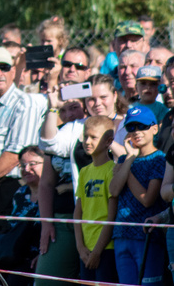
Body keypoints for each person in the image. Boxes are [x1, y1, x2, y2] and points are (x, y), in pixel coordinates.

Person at [0, 47, 43, 233]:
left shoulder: (24, 103)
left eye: (4, 67)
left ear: (13, 71)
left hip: (9, 190)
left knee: (6, 254)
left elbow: (15, 155)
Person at [110, 105, 166, 284]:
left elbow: (147, 200)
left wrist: (128, 165)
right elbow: (113, 190)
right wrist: (129, 159)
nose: (136, 131)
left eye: (142, 126)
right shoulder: (124, 159)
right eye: (131, 127)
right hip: (121, 235)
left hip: (147, 237)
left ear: (155, 128)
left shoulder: (159, 159)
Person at [0, 146, 43, 286]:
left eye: (32, 164)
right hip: (14, 255)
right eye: (22, 165)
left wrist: (42, 256)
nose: (26, 169)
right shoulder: (20, 193)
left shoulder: (53, 194)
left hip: (35, 256)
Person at [73, 115, 117, 282]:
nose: (87, 141)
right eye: (85, 136)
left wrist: (98, 251)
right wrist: (80, 247)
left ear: (108, 141)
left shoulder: (112, 170)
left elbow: (111, 216)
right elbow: (78, 212)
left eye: (93, 137)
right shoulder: (84, 171)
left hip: (106, 248)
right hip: (85, 248)